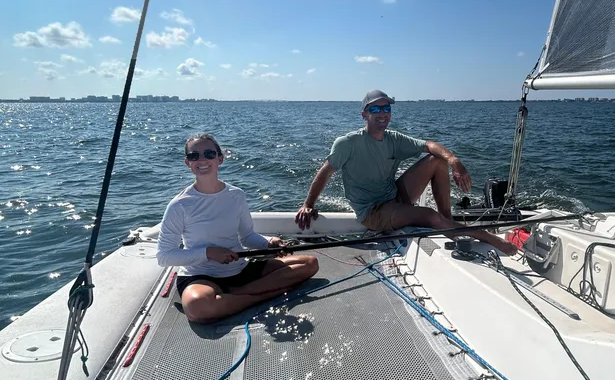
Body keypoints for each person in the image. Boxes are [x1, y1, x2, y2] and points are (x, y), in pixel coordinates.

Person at [295, 90, 517, 255]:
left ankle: (447, 222)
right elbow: (325, 172)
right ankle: (483, 235)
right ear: (364, 115)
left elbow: (429, 144)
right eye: (375, 109)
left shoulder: (393, 139)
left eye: (386, 108)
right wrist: (309, 204)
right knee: (427, 215)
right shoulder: (348, 143)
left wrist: (453, 160)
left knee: (436, 161)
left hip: (394, 197)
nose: (382, 113)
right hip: (373, 212)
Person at [157, 132, 319, 323]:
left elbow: (248, 236)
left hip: (240, 271)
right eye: (194, 156)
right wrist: (208, 253)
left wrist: (269, 243)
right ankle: (261, 295)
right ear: (188, 163)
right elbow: (164, 256)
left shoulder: (236, 195)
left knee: (310, 263)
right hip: (201, 277)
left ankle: (236, 296)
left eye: (209, 154)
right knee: (197, 306)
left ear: (220, 159)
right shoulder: (179, 205)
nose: (202, 160)